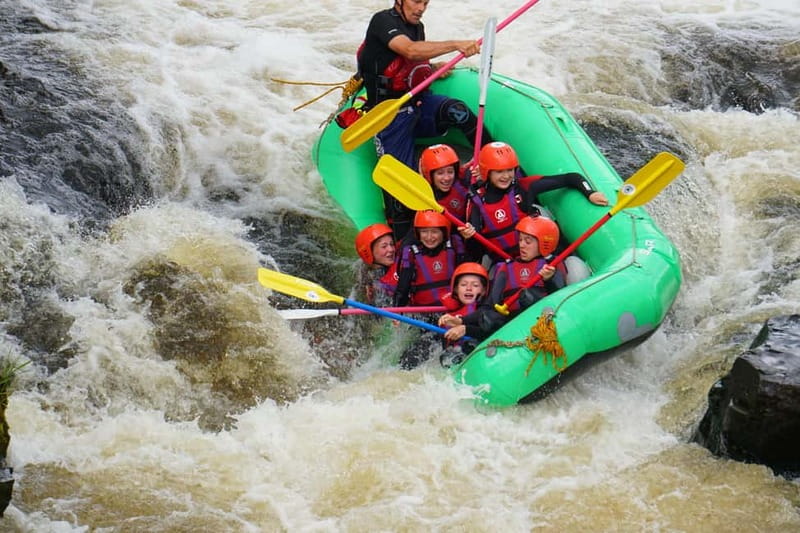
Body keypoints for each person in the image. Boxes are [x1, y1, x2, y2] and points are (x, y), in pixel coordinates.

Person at [357, 0, 493, 239]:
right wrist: (455, 45)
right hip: (390, 116)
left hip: (418, 105)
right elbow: (408, 50)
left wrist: (431, 66)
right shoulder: (382, 21)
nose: (421, 8)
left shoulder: (417, 25)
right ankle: (401, 244)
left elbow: (412, 61)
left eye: (425, 2)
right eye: (416, 1)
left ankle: (491, 165)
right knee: (401, 192)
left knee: (457, 111)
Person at [463, 141, 608, 261]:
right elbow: (475, 252)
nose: (506, 176)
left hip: (538, 256)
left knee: (575, 266)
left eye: (510, 170)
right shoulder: (476, 202)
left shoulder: (524, 187)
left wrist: (590, 193)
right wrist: (469, 238)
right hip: (505, 263)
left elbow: (572, 178)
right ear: (486, 172)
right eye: (499, 171)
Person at [440, 215, 567, 343]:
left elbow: (562, 297)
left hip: (543, 319)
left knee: (527, 296)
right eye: (521, 240)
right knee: (489, 318)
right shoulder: (505, 268)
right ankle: (465, 331)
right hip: (513, 325)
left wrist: (549, 279)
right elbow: (488, 307)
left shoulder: (551, 265)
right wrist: (462, 321)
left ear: (545, 243)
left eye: (528, 241)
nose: (522, 245)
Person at [393, 210, 466, 307]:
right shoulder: (411, 253)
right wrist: (398, 310)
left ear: (444, 232)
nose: (429, 237)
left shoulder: (455, 245)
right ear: (418, 233)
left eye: (434, 232)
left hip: (453, 310)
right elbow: (403, 288)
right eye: (424, 232)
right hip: (423, 313)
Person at [418, 143, 472, 221]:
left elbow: (476, 162)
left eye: (450, 172)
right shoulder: (423, 198)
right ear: (428, 174)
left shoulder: (461, 178)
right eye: (440, 173)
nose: (447, 178)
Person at [354, 222, 398, 307]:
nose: (391, 249)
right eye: (384, 246)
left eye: (392, 244)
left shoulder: (402, 263)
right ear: (369, 252)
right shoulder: (365, 277)